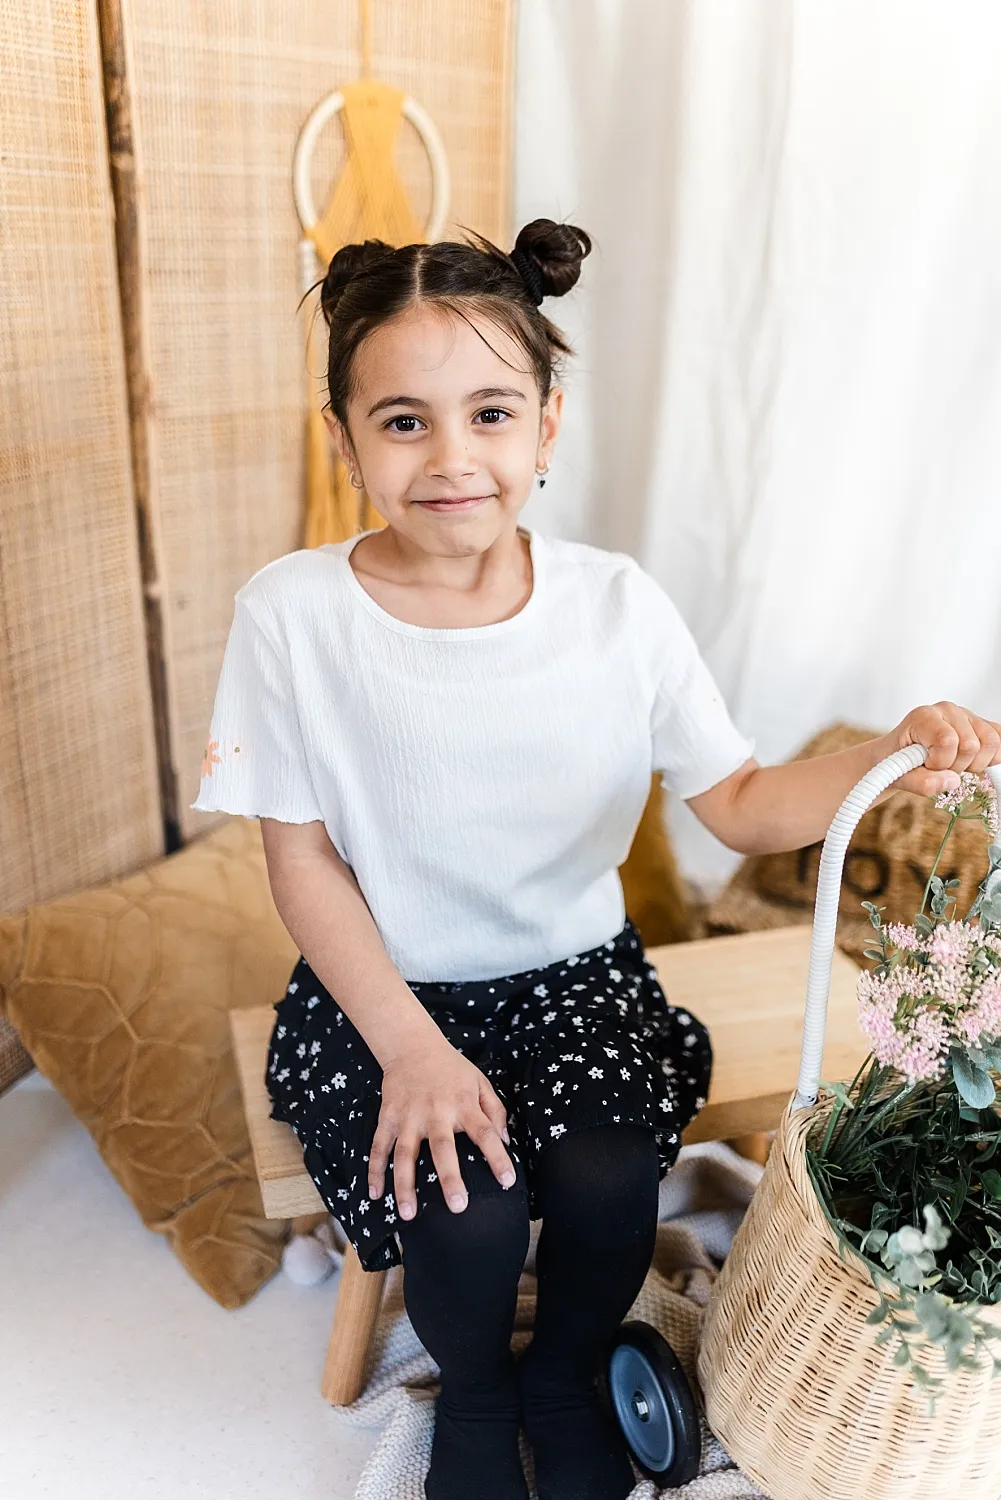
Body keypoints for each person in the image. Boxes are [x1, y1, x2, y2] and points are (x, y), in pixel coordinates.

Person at [191, 218, 1001, 1500]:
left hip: (574, 978)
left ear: (548, 427)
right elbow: (300, 863)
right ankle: (473, 1400)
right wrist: (410, 1047)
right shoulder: (292, 615)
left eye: (491, 413)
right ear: (342, 439)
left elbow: (734, 800)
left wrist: (888, 749)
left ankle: (564, 1373)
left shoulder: (615, 607)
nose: (452, 457)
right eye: (402, 422)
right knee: (461, 1211)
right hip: (389, 995)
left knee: (609, 1180)